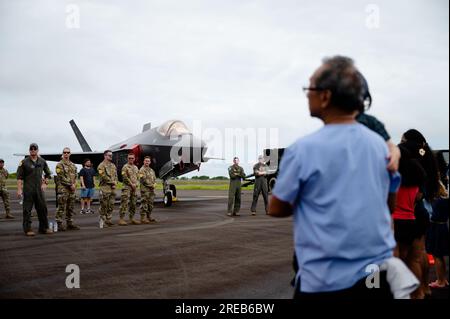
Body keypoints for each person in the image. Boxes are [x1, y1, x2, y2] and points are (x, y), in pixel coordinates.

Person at [269, 56, 399, 298]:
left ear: (326, 96)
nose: (307, 94)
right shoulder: (380, 146)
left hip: (324, 280)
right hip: (376, 276)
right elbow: (388, 204)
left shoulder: (303, 149)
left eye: (310, 88)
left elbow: (276, 208)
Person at [399, 129, 441, 298]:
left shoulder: (409, 163)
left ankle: (413, 293)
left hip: (409, 213)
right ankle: (423, 289)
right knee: (419, 256)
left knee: (405, 260)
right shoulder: (428, 161)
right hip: (422, 213)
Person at [16, 143, 53, 236]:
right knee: (27, 210)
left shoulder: (42, 161)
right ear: (29, 150)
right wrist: (19, 189)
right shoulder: (24, 162)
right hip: (28, 189)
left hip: (39, 190)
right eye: (31, 149)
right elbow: (19, 177)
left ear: (37, 150)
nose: (33, 150)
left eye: (34, 148)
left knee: (43, 209)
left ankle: (44, 228)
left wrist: (45, 183)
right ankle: (28, 229)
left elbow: (48, 174)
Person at [55, 147, 80, 231]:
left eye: (67, 152)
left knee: (70, 207)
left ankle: (70, 223)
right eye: (64, 152)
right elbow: (61, 177)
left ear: (70, 154)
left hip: (72, 190)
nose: (66, 154)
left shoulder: (73, 165)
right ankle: (59, 224)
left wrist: (75, 184)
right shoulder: (59, 164)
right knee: (61, 207)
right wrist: (70, 185)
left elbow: (76, 176)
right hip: (63, 189)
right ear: (62, 153)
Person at [97, 150, 118, 227]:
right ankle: (102, 221)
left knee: (111, 204)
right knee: (104, 205)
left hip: (112, 188)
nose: (111, 157)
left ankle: (108, 220)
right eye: (109, 155)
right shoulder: (101, 166)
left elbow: (116, 176)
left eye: (111, 155)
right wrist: (112, 182)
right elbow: (103, 176)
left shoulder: (113, 165)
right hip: (105, 188)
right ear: (105, 156)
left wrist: (115, 183)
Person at [119, 153, 140, 225]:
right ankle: (121, 219)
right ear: (127, 159)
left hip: (134, 188)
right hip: (127, 188)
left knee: (133, 203)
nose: (131, 159)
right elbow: (124, 177)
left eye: (132, 158)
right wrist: (131, 184)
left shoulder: (136, 168)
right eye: (129, 158)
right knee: (124, 203)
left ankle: (132, 218)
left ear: (134, 159)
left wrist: (136, 184)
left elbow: (138, 178)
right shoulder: (125, 167)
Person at [139, 156, 157, 223]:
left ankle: (149, 216)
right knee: (144, 204)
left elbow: (154, 179)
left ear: (150, 162)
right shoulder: (141, 170)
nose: (147, 162)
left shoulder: (151, 170)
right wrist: (151, 185)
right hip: (145, 190)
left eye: (148, 161)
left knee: (150, 204)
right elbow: (143, 180)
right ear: (144, 162)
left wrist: (155, 184)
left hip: (151, 190)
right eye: (146, 161)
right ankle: (143, 218)